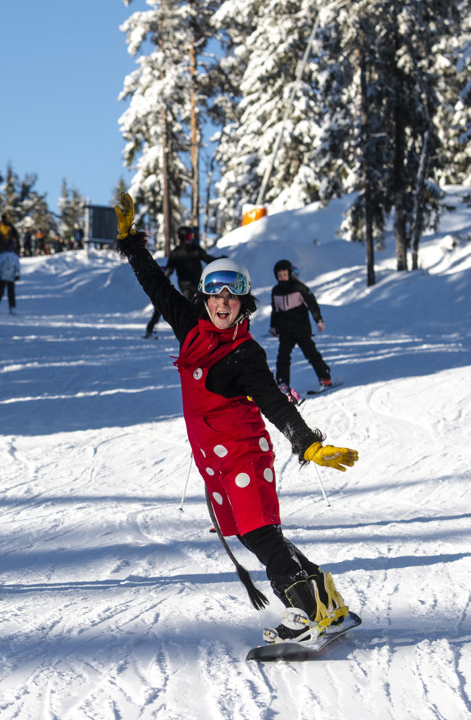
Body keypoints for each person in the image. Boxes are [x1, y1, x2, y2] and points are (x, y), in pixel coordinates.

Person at [112, 192, 359, 645]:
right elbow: (154, 283)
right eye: (215, 293)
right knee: (257, 535)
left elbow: (274, 402)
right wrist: (131, 243)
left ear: (244, 304)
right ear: (203, 297)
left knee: (260, 535)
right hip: (215, 460)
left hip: (244, 455)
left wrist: (306, 442)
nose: (223, 303)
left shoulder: (246, 352)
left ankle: (304, 613)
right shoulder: (189, 324)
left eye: (233, 295)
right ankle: (327, 600)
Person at [269, 259, 332, 400]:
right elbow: (275, 311)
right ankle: (282, 384)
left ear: (290, 273)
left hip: (301, 329)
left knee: (311, 353)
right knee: (283, 357)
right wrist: (273, 326)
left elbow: (312, 304)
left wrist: (318, 320)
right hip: (285, 331)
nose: (282, 277)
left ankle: (325, 378)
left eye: (284, 274)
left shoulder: (299, 288)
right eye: (279, 275)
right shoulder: (276, 291)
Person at [144, 226, 219, 338]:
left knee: (206, 304)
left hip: (199, 284)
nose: (191, 239)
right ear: (182, 238)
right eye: (189, 236)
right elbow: (170, 268)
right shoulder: (176, 253)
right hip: (185, 285)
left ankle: (209, 329)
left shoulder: (196, 249)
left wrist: (221, 261)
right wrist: (165, 275)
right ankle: (193, 331)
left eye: (192, 236)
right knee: (190, 303)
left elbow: (207, 259)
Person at [0, 241, 21, 315]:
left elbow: (17, 266)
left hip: (11, 277)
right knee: (0, 293)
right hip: (2, 277)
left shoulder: (14, 256)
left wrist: (17, 274)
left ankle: (12, 308)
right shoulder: (2, 255)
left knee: (11, 294)